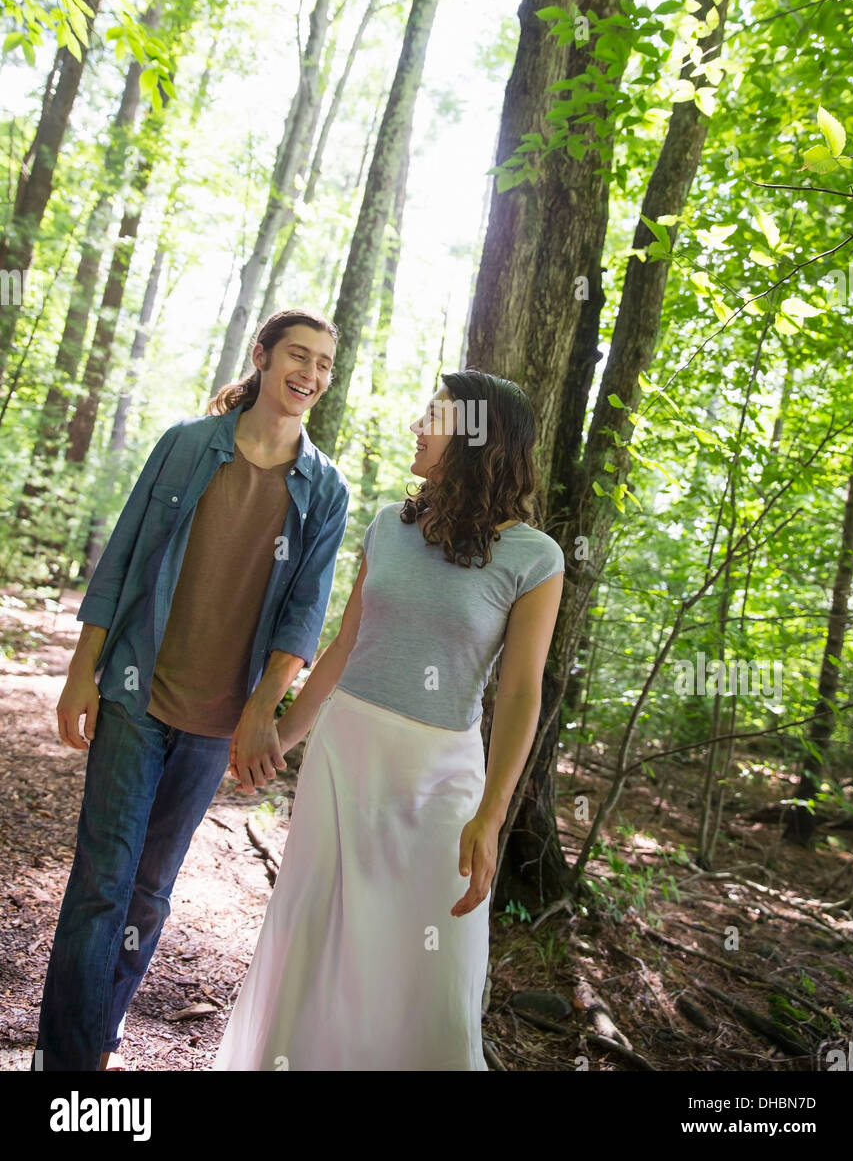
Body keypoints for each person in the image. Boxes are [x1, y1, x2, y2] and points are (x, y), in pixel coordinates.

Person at [212, 370, 565, 1071]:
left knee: (434, 957)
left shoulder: (536, 557)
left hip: (444, 779)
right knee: (317, 932)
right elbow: (346, 646)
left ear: (474, 437)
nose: (415, 426)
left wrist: (493, 814)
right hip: (347, 756)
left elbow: (522, 694)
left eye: (431, 416)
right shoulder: (387, 526)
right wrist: (280, 737)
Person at [32, 308, 350, 1071]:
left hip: (216, 723)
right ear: (263, 357)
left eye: (324, 365)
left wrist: (260, 711)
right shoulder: (184, 448)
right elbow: (125, 561)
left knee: (148, 892)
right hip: (137, 697)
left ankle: (94, 1037)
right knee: (104, 883)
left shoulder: (325, 490)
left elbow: (303, 617)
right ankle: (66, 1064)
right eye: (297, 357)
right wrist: (84, 671)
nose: (309, 375)